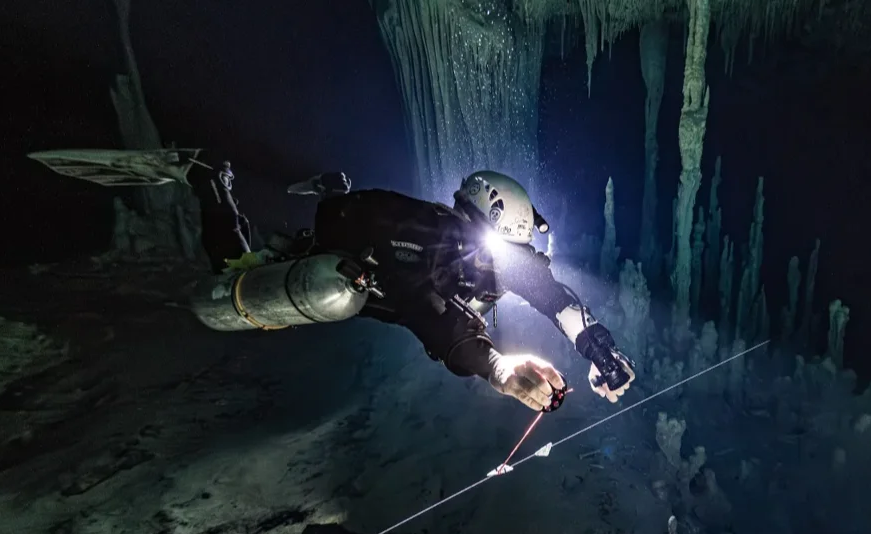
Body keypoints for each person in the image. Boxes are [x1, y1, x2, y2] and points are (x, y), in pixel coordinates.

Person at [190, 167, 636, 412]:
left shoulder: (492, 257)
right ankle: (209, 184)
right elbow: (430, 314)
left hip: (370, 280)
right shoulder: (427, 235)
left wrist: (600, 350)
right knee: (238, 276)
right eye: (500, 251)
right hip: (340, 256)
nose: (504, 268)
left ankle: (326, 190)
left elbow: (550, 295)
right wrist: (499, 368)